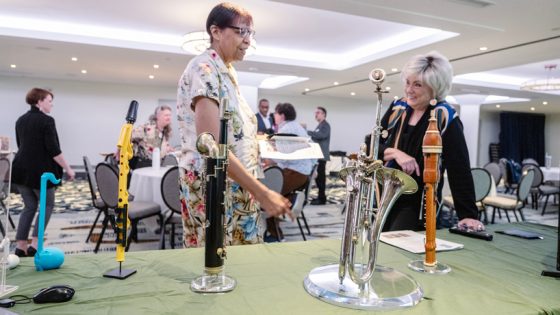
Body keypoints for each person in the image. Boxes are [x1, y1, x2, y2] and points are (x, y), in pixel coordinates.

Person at [176, 2, 292, 248]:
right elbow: (213, 146)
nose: (248, 40)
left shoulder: (226, 71)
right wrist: (262, 192)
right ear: (216, 32)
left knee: (241, 262)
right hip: (214, 183)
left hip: (235, 182)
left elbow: (233, 132)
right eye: (241, 31)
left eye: (251, 33)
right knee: (218, 261)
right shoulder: (204, 68)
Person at [377, 51, 484, 232]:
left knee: (398, 248)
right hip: (382, 196)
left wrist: (468, 214)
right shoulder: (398, 108)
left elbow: (459, 168)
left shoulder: (445, 117)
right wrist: (397, 153)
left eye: (417, 85)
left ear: (435, 88)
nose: (409, 90)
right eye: (408, 82)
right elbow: (372, 146)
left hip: (416, 203)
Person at [11, 88, 75, 257]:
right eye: (49, 100)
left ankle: (20, 246)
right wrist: (68, 168)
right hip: (40, 173)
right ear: (39, 101)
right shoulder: (47, 121)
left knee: (29, 207)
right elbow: (54, 150)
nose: (51, 104)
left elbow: (20, 145)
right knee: (47, 205)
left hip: (20, 170)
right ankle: (35, 244)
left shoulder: (20, 120)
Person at [129, 105, 174, 169]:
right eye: (166, 115)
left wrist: (167, 148)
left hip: (157, 164)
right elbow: (129, 136)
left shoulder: (166, 131)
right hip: (142, 164)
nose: (169, 117)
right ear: (158, 116)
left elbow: (157, 146)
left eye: (170, 115)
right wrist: (120, 149)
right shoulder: (147, 128)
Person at [307, 106, 330, 205]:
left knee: (321, 179)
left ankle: (322, 199)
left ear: (324, 114)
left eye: (318, 112)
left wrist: (307, 132)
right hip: (317, 156)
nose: (316, 114)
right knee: (318, 179)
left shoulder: (325, 125)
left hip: (321, 156)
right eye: (315, 113)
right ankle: (320, 197)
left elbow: (321, 135)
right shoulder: (320, 125)